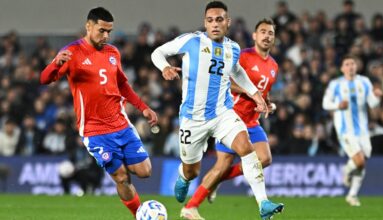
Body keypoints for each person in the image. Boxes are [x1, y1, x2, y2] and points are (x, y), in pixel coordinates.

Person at [151, 2, 283, 219]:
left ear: (227, 22)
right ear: (205, 22)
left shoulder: (233, 48)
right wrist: (164, 67)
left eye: (219, 19)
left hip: (223, 113)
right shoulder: (192, 40)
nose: (215, 24)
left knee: (246, 148)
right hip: (193, 119)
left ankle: (263, 203)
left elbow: (237, 71)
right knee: (192, 170)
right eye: (210, 20)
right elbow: (158, 52)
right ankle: (183, 178)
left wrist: (256, 95)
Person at [40, 7, 158, 217]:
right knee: (121, 177)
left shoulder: (113, 52)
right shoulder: (72, 52)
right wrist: (54, 63)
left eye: (109, 32)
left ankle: (124, 171)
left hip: (121, 124)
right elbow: (45, 79)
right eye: (102, 30)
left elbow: (122, 84)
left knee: (145, 171)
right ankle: (139, 215)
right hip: (95, 131)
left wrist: (143, 107)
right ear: (89, 26)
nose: (106, 36)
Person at [322, 54, 383, 206]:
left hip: (363, 130)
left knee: (361, 163)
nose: (350, 67)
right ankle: (347, 170)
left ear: (357, 67)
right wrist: (337, 106)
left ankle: (352, 195)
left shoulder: (364, 82)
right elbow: (325, 104)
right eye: (347, 64)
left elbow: (373, 104)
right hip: (345, 130)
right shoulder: (335, 84)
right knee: (359, 160)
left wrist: (377, 97)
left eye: (352, 64)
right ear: (342, 68)